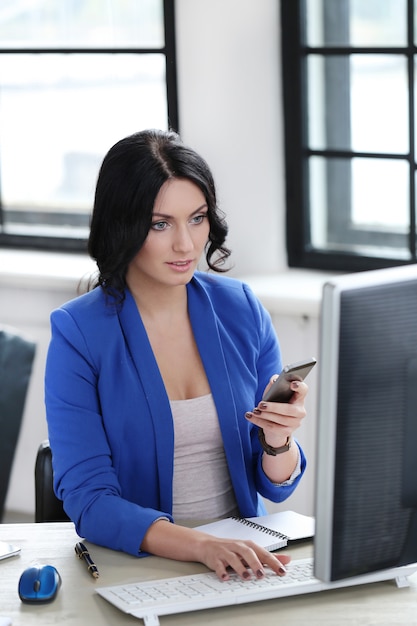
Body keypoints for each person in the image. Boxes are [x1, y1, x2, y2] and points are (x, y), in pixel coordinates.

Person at [45, 129, 308, 582]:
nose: (186, 245)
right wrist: (202, 546)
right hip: (143, 566)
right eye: (160, 224)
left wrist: (277, 441)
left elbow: (274, 487)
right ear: (121, 225)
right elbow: (90, 501)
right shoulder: (79, 333)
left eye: (198, 218)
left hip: (244, 559)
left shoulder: (241, 307)